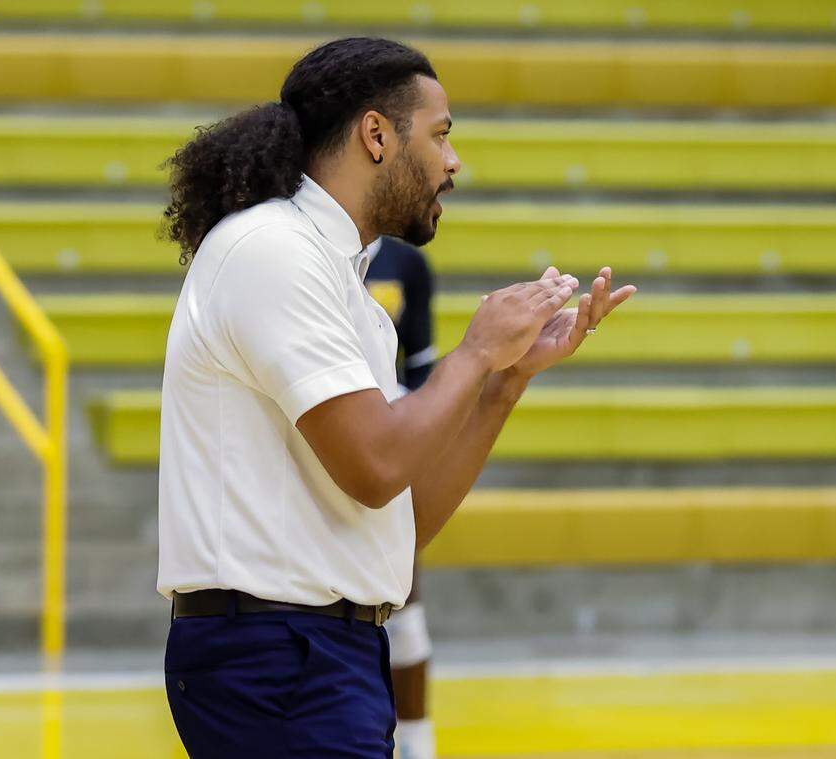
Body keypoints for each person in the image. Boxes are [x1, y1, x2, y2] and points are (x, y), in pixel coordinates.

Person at [155, 36, 635, 758]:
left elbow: (400, 525)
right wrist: (474, 351)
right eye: (441, 135)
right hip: (276, 657)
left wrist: (506, 378)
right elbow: (376, 464)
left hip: (320, 654)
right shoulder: (272, 252)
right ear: (376, 134)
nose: (453, 162)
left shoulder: (339, 282)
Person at [365, 238, 438, 759]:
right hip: (318, 440)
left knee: (404, 613)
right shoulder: (298, 251)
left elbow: (421, 368)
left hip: (386, 446)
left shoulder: (405, 262)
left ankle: (417, 744)